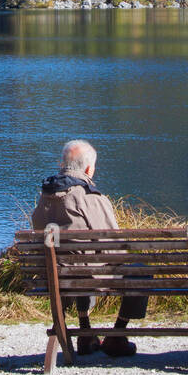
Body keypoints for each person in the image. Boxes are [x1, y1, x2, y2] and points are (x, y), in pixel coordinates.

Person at [30, 139, 144, 357]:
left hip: (53, 277)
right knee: (139, 270)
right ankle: (117, 335)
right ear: (89, 169)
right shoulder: (91, 198)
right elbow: (114, 247)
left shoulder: (44, 196)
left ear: (61, 165)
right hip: (87, 275)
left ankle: (85, 331)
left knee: (78, 263)